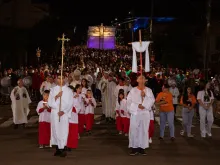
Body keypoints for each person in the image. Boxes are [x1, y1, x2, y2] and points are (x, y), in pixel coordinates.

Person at [127, 76, 155, 156]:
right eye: (140, 78)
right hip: (136, 113)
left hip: (145, 113)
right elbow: (128, 102)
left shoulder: (148, 90)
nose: (142, 79)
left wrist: (145, 97)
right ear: (137, 80)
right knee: (134, 129)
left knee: (143, 130)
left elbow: (152, 100)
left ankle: (142, 148)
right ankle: (134, 148)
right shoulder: (133, 90)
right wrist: (137, 106)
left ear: (145, 80)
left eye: (143, 78)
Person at [48, 76, 74, 157]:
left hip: (64, 113)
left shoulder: (69, 91)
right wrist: (57, 96)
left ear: (65, 79)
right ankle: (58, 148)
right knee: (55, 130)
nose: (60, 80)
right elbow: (49, 103)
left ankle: (62, 148)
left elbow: (70, 103)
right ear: (56, 80)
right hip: (55, 112)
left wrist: (64, 111)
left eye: (62, 78)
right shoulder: (53, 90)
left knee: (63, 130)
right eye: (59, 78)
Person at [66, 85, 81, 151]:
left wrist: (73, 109)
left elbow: (79, 108)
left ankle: (70, 145)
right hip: (66, 119)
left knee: (72, 133)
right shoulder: (64, 99)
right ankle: (65, 145)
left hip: (73, 118)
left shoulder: (75, 99)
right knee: (66, 132)